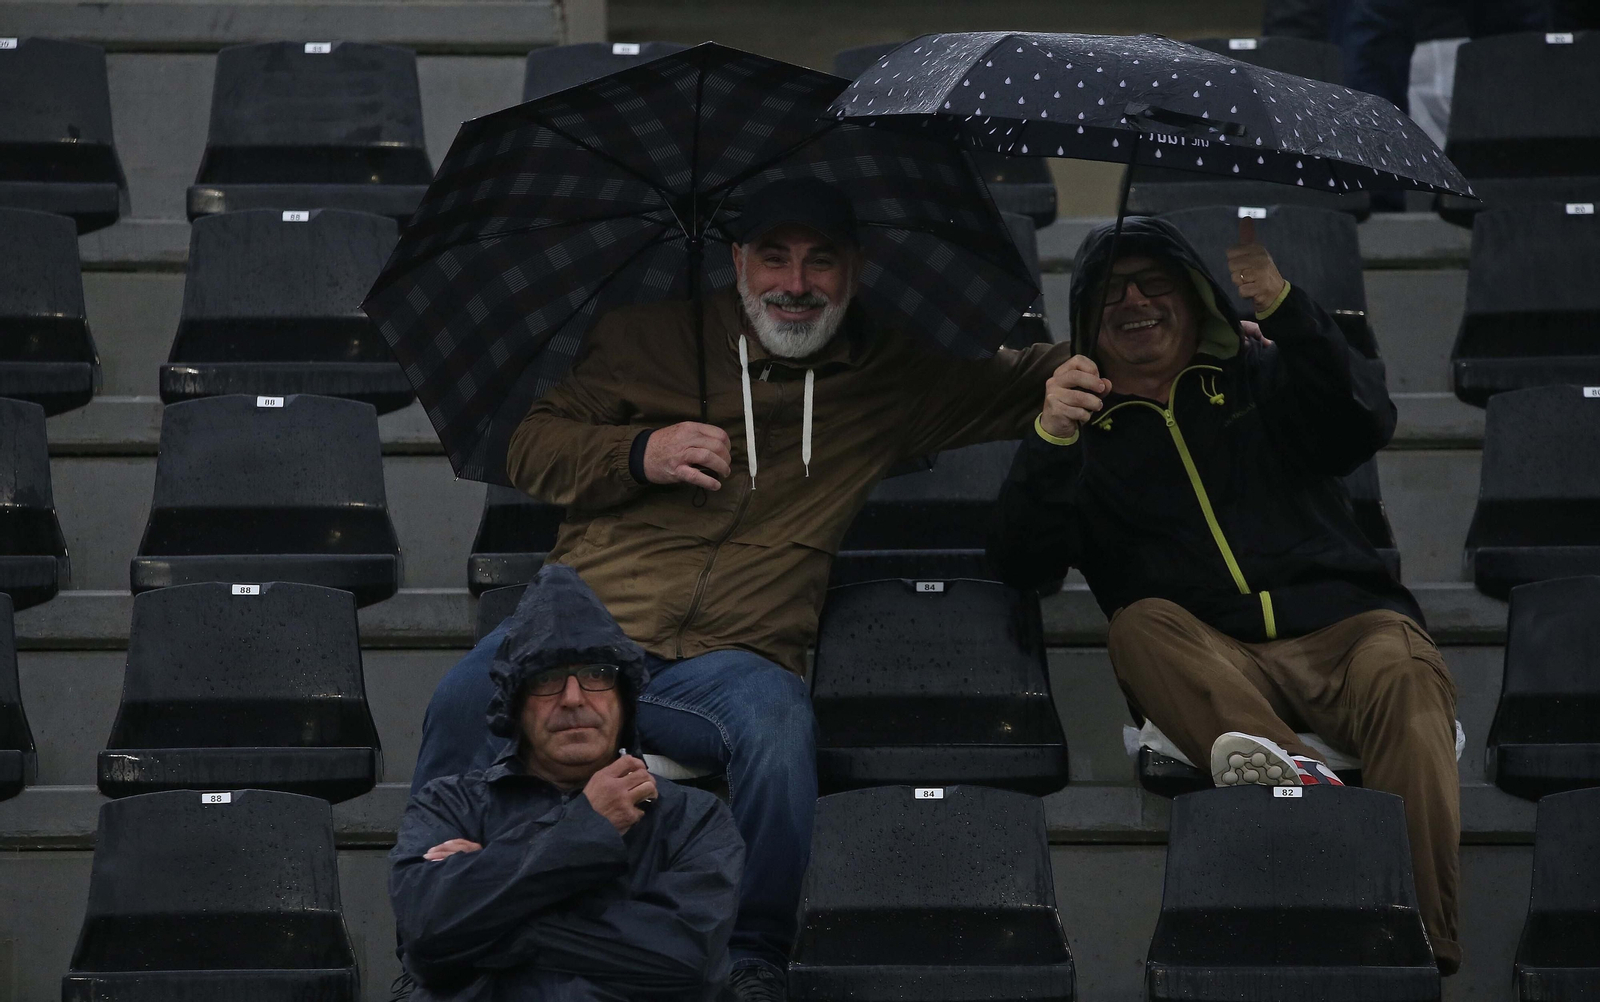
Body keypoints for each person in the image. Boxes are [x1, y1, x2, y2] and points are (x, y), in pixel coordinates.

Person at [414, 177, 1074, 1000]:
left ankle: (754, 958)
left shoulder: (887, 374)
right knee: (460, 694)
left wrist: (1124, 355)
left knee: (776, 718)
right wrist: (637, 453)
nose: (794, 284)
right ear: (736, 260)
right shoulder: (641, 339)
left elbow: (1027, 378)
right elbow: (532, 446)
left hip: (728, 664)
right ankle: (435, 939)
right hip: (587, 644)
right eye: (773, 257)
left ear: (855, 271)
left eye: (820, 262)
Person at [987, 215, 1462, 974]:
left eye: (1155, 282)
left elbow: (1366, 417)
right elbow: (1020, 562)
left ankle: (1415, 946)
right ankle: (1307, 781)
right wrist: (1048, 441)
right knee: (1139, 626)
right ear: (1084, 321)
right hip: (1213, 658)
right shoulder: (1079, 432)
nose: (1133, 300)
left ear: (1195, 296)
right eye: (1109, 291)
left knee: (1407, 675)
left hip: (1344, 630)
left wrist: (1287, 310)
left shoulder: (1260, 374)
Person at [391, 564, 744, 1001]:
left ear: (625, 699)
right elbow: (424, 939)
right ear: (516, 706)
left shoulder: (694, 818)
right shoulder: (449, 805)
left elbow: (685, 963)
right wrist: (588, 826)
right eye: (546, 678)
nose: (573, 698)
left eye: (597, 675)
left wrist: (492, 911)